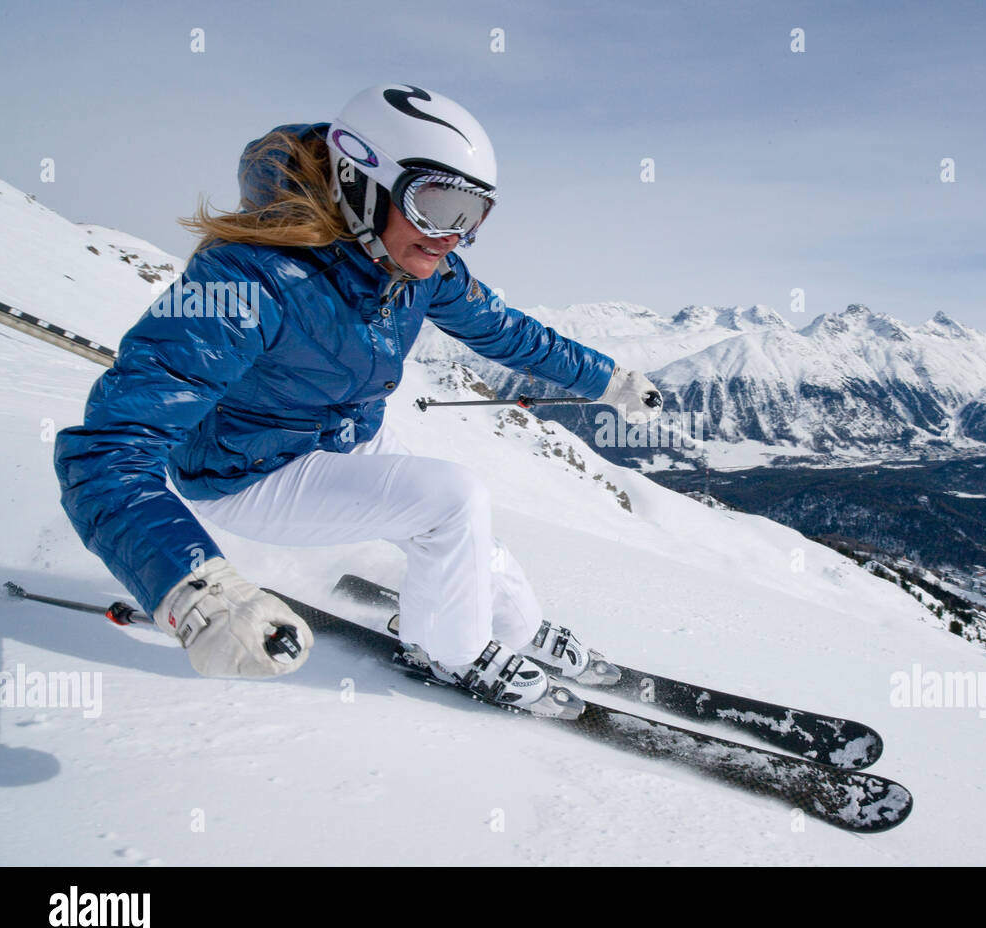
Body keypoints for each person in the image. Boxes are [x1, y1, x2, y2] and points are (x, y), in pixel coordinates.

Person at [54, 83, 662, 718]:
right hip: (246, 469)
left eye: (471, 215)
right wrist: (194, 588)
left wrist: (609, 380)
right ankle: (452, 649)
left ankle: (509, 622)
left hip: (342, 435)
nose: (450, 236)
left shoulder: (410, 265)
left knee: (467, 534)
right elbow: (106, 455)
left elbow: (505, 330)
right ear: (361, 180)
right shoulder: (246, 279)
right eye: (436, 205)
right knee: (452, 502)